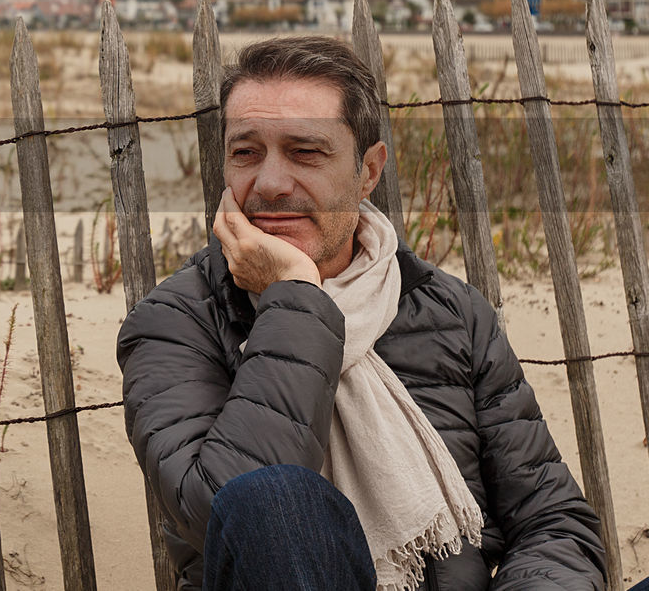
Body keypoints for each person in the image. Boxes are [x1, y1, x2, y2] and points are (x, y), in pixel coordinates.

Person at [117, 36, 606, 591]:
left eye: (306, 152)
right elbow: (226, 511)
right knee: (277, 499)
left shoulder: (448, 310)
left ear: (368, 170)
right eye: (246, 152)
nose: (271, 183)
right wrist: (294, 297)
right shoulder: (176, 323)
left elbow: (552, 522)